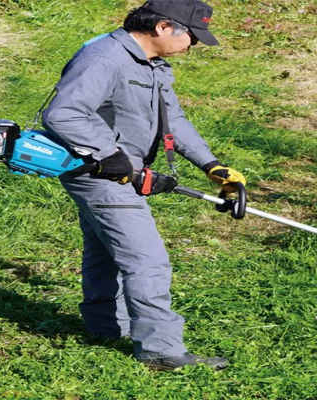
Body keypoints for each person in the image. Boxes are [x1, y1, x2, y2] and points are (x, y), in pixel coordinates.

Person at [42, 0, 245, 371]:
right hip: (98, 172)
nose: (193, 45)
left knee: (105, 250)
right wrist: (110, 154)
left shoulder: (150, 63)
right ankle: (161, 351)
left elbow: (173, 120)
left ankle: (106, 328)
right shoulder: (105, 58)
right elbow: (63, 113)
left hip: (117, 169)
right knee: (147, 260)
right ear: (163, 27)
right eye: (191, 36)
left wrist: (211, 165)